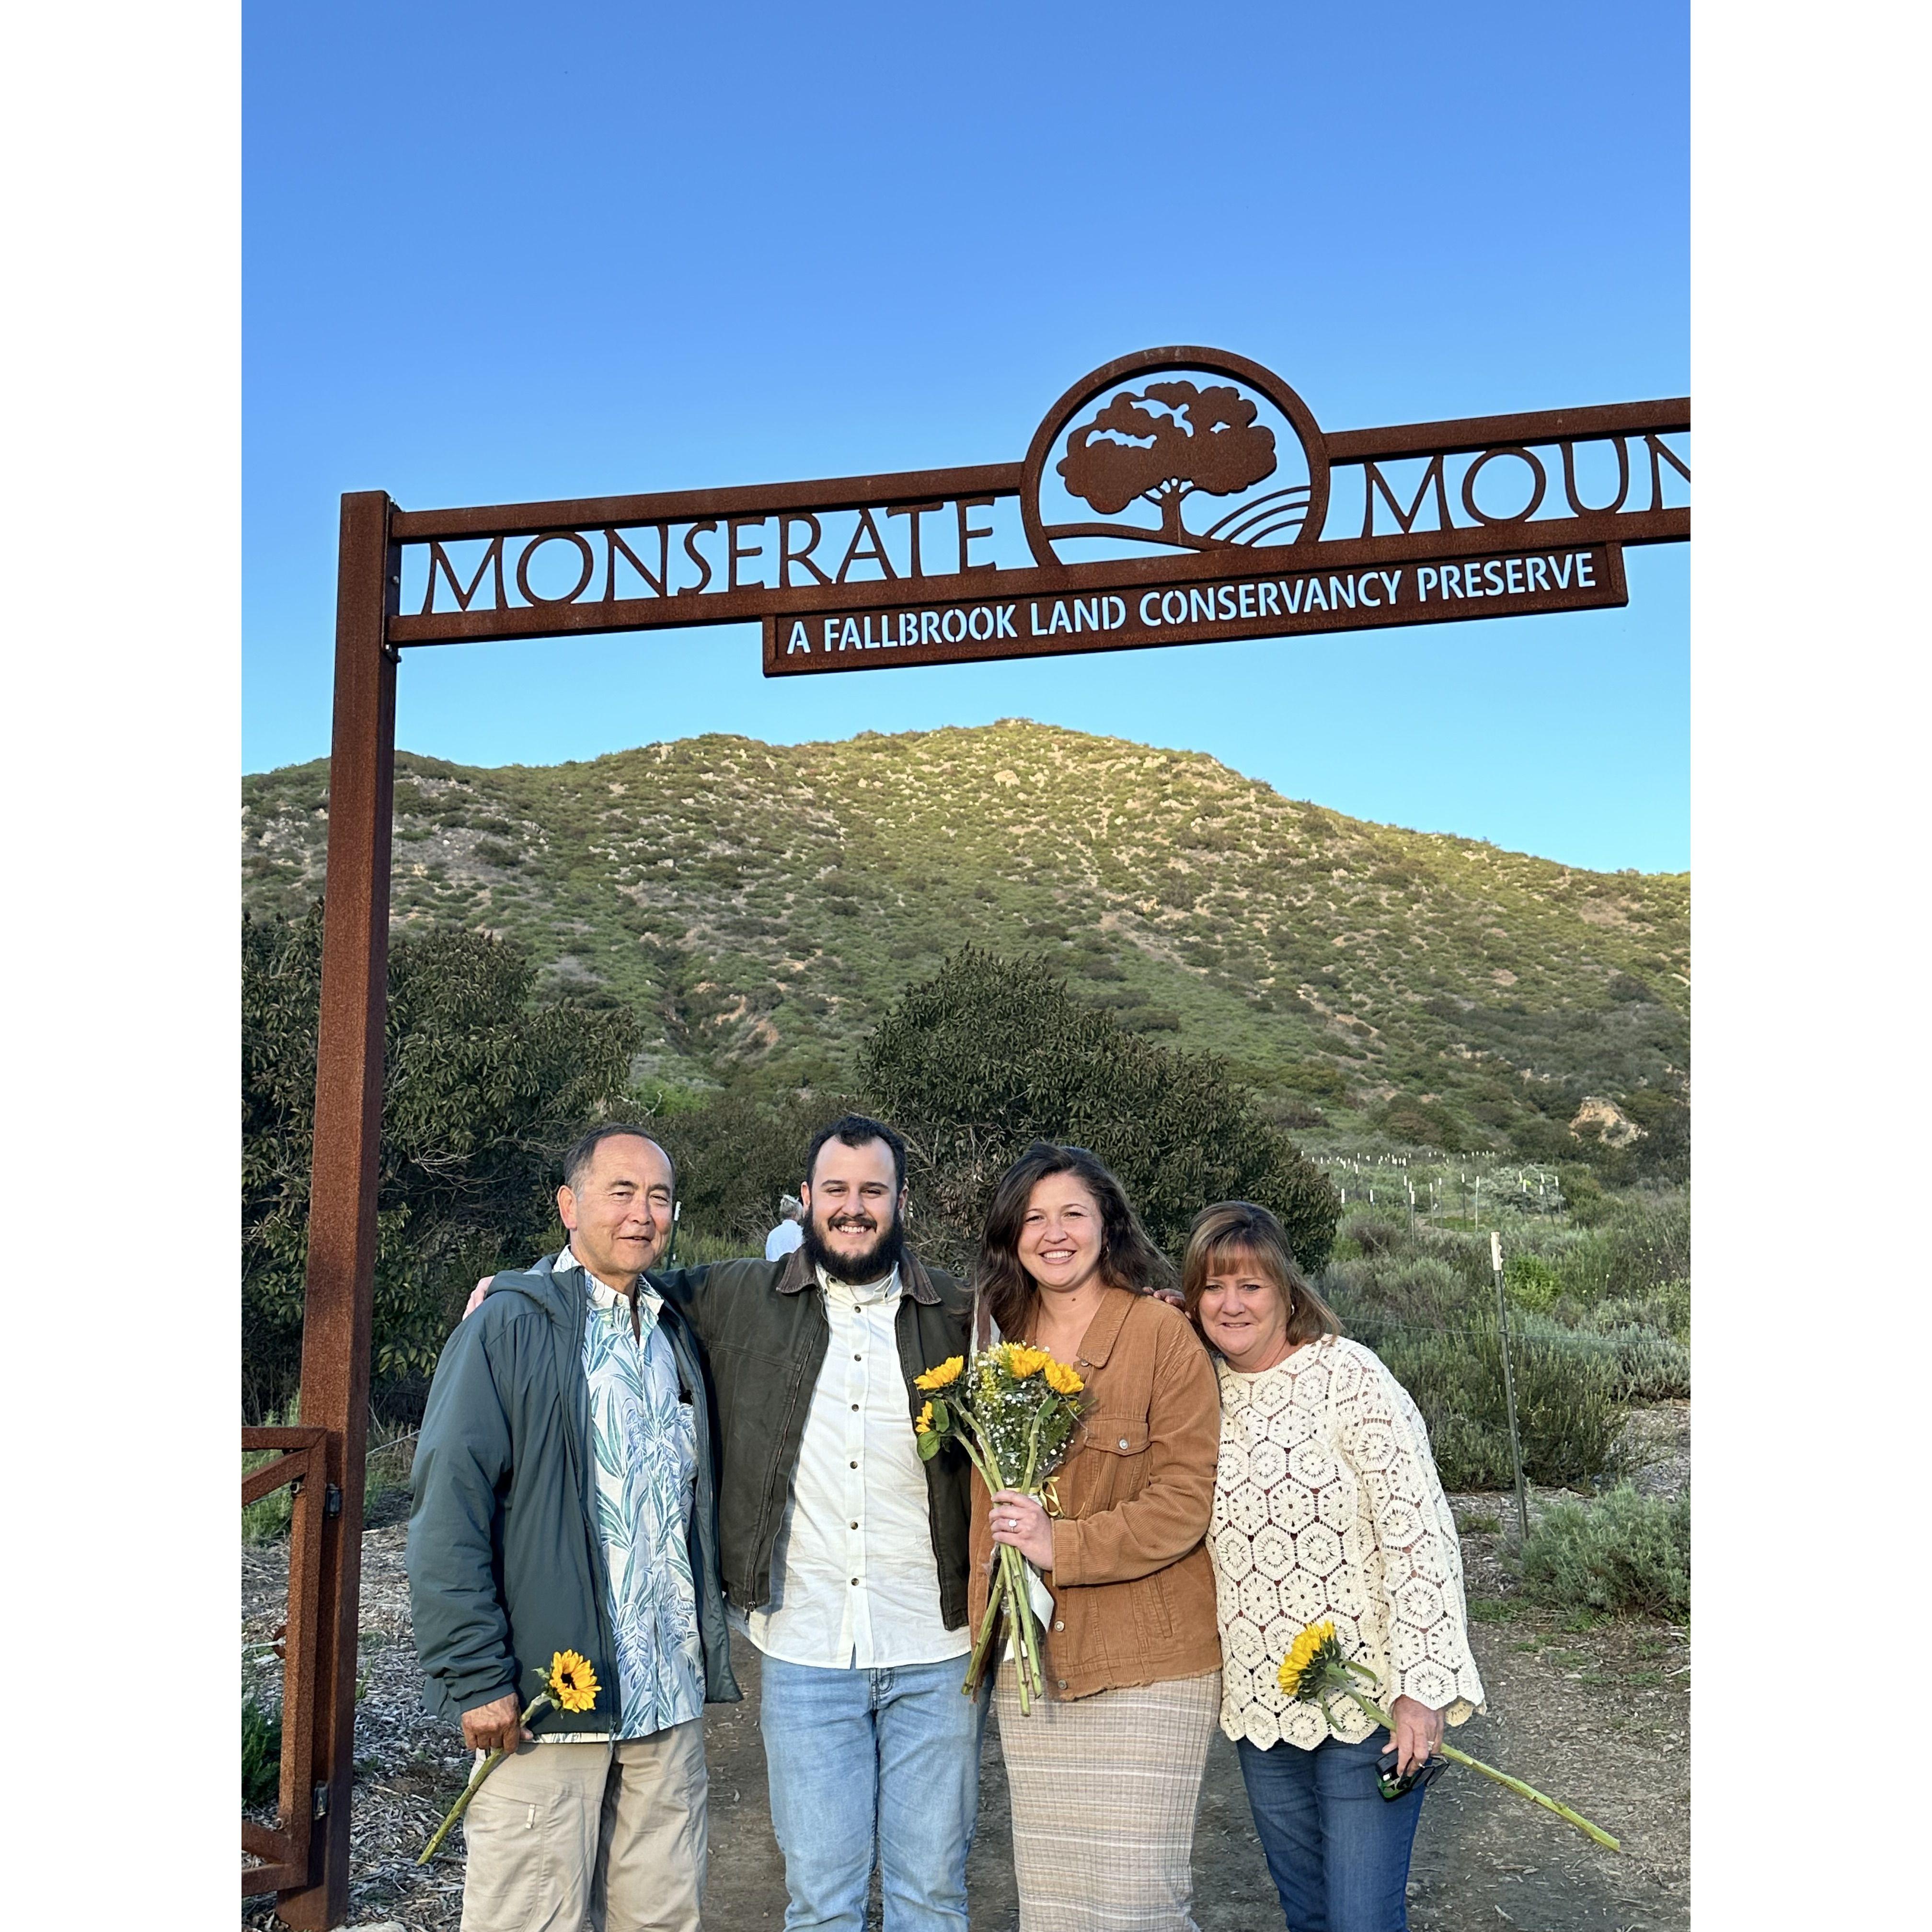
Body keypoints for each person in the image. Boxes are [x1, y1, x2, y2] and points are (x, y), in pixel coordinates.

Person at [471, 1115, 982, 1932]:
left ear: (901, 1201)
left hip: (937, 1645)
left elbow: (1064, 1319)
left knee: (933, 1898)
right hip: (806, 1648)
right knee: (822, 1904)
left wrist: (1167, 1305)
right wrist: (521, 1287)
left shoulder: (961, 1311)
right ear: (807, 1199)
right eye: (837, 1190)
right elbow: (614, 1273)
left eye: (873, 1191)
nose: (854, 1208)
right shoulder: (743, 1296)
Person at [407, 1124, 739, 1932]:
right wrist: (474, 1673)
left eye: (658, 1197)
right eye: (621, 1192)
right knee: (531, 1917)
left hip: (664, 1699)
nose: (642, 1214)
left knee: (662, 1919)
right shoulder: (507, 1328)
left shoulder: (672, 1332)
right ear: (568, 1204)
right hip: (549, 1702)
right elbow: (449, 1504)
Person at [1184, 1201, 1485, 1932]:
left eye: (1250, 1286)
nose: (1231, 1304)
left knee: (1361, 1918)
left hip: (1367, 1701)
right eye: (1213, 1287)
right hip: (1263, 1706)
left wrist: (1422, 1690)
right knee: (1309, 1916)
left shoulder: (1350, 1377)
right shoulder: (1197, 1392)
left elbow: (1419, 1535)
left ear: (1287, 1291)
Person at [972, 1142, 1223, 1932]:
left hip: (1149, 1665)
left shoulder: (1160, 1334)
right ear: (1011, 1236)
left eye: (1073, 1214)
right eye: (1034, 1218)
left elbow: (1185, 1498)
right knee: (1054, 1907)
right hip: (1035, 1668)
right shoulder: (990, 1342)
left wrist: (1063, 1545)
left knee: (1137, 1904)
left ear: (1107, 1225)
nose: (1054, 1233)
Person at [764, 1192, 805, 1260]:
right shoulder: (800, 1232)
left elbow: (769, 1259)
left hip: (774, 1267)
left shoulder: (772, 1235)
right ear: (796, 1213)